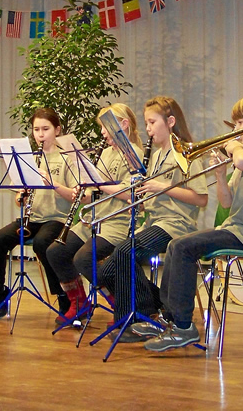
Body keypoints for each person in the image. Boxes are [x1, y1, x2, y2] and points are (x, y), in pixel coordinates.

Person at [132, 93, 243, 352]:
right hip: (236, 229)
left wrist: (233, 146)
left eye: (240, 124)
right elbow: (226, 202)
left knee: (183, 247)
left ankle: (183, 327)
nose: (235, 130)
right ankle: (169, 318)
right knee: (177, 245)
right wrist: (221, 176)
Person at [96, 96, 208, 342]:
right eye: (146, 123)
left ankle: (134, 319)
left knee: (124, 252)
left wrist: (162, 187)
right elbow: (155, 195)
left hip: (176, 224)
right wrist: (141, 203)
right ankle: (155, 306)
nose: (147, 129)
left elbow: (200, 199)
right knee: (108, 269)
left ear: (170, 122)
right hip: (155, 221)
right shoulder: (156, 155)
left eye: (152, 122)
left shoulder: (186, 153)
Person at [46, 103, 144, 324]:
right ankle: (79, 302)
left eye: (105, 127)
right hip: (95, 219)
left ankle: (122, 304)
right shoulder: (106, 153)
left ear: (124, 124)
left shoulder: (134, 154)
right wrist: (83, 194)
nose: (102, 133)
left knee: (84, 259)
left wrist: (99, 183)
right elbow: (96, 192)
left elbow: (130, 194)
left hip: (117, 221)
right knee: (56, 252)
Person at [0, 108, 78, 318]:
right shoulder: (28, 158)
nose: (40, 134)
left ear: (57, 130)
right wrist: (21, 196)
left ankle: (63, 295)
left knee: (42, 243)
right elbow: (20, 196)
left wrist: (52, 183)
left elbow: (75, 196)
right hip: (33, 218)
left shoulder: (66, 158)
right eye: (36, 130)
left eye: (46, 129)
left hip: (57, 218)